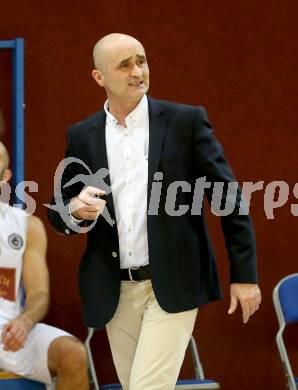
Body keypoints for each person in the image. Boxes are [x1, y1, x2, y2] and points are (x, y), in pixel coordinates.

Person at [48, 33, 262, 390]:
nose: (138, 71)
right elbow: (59, 211)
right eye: (125, 64)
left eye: (141, 60)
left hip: (174, 281)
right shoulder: (82, 135)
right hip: (115, 289)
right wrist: (74, 210)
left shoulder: (186, 121)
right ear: (99, 77)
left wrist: (245, 274)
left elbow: (227, 196)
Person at [0, 142, 89, 390]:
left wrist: (25, 322)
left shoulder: (27, 225)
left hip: (8, 334)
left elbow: (39, 295)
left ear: (6, 176)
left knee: (73, 354)